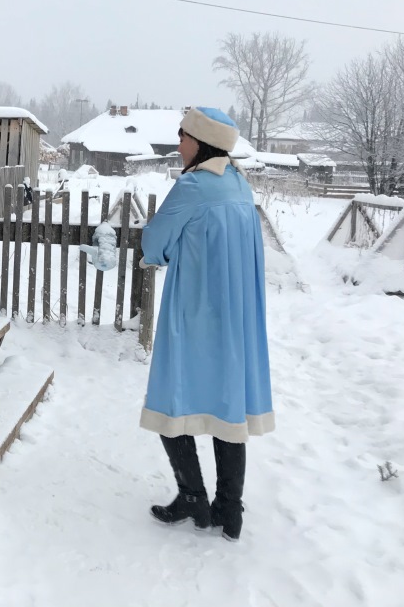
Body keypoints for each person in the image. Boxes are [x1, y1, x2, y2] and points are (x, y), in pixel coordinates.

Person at [139, 107, 274, 541]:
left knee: (170, 400)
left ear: (200, 142)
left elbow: (156, 240)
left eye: (182, 137)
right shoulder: (239, 185)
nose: (178, 145)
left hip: (195, 313)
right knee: (226, 407)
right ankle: (229, 511)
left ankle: (193, 497)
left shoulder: (193, 186)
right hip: (235, 318)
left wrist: (164, 254)